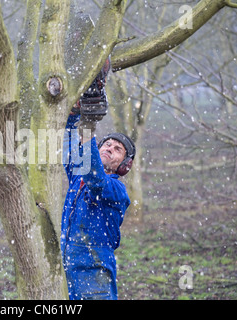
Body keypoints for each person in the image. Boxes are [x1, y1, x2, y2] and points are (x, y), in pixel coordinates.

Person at [61, 62, 136, 300]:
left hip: (94, 268)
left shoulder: (116, 189)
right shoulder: (78, 177)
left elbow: (96, 179)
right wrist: (75, 114)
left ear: (123, 165)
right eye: (107, 144)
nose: (110, 149)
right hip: (67, 263)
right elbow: (71, 149)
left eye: (118, 150)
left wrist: (89, 127)